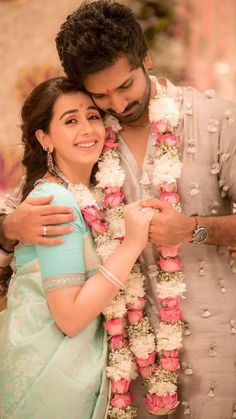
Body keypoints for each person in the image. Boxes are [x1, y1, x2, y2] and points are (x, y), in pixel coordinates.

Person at [0, 1, 236, 418]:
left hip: (216, 346)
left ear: (144, 57)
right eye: (100, 94)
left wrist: (194, 229)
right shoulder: (88, 130)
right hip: (117, 365)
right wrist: (8, 227)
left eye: (125, 86)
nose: (116, 104)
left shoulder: (214, 117)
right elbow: (24, 204)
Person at [0, 76, 154, 419]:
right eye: (70, 120)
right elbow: (69, 317)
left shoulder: (84, 195)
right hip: (50, 374)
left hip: (62, 366)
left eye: (93, 116)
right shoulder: (55, 201)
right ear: (44, 138)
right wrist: (132, 244)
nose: (87, 129)